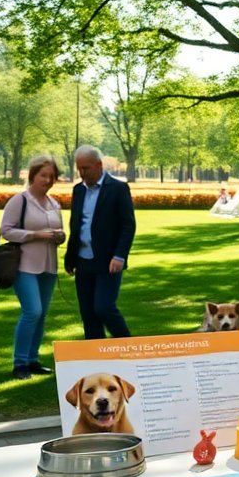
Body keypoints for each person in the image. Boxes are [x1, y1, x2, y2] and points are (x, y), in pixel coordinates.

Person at [0, 154, 66, 380]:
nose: (48, 180)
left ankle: (32, 359)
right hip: (25, 265)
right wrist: (35, 234)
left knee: (42, 314)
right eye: (43, 175)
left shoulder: (54, 203)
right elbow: (6, 230)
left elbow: (59, 232)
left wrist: (60, 237)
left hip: (48, 266)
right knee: (32, 311)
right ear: (32, 176)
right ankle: (19, 363)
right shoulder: (20, 200)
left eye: (52, 176)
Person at [65, 146, 136, 340]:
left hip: (109, 261)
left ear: (98, 165)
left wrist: (120, 255)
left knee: (104, 307)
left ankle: (129, 348)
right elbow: (76, 225)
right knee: (88, 314)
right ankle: (96, 359)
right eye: (79, 168)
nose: (82, 173)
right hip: (83, 260)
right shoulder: (78, 190)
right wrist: (70, 258)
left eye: (86, 168)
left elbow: (128, 225)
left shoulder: (118, 189)